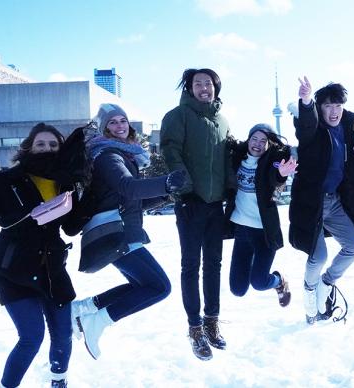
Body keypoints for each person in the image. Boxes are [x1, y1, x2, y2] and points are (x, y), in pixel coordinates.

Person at [0, 123, 85, 388]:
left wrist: (84, 196)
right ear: (29, 147)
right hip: (13, 269)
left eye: (53, 145)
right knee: (32, 337)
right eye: (41, 144)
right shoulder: (9, 180)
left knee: (63, 334)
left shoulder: (65, 181)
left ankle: (59, 380)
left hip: (51, 268)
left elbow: (71, 227)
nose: (47, 149)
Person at [72, 103, 182, 360]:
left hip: (120, 229)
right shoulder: (108, 156)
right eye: (112, 122)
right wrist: (164, 182)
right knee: (159, 287)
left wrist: (166, 193)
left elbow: (132, 200)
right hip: (117, 232)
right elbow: (128, 187)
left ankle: (81, 309)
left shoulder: (122, 154)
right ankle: (96, 322)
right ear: (103, 128)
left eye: (123, 120)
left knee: (141, 285)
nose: (120, 126)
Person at [161, 68, 232, 360]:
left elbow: (228, 159)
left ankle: (211, 322)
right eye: (198, 83)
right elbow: (170, 150)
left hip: (216, 206)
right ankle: (194, 328)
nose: (204, 88)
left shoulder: (223, 120)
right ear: (190, 88)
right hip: (191, 202)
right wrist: (185, 189)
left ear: (216, 87)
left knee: (213, 264)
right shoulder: (177, 116)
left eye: (208, 83)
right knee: (191, 266)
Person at [289, 77, 354, 324]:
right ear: (319, 108)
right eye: (327, 106)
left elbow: (346, 163)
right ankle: (310, 290)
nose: (334, 111)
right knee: (318, 257)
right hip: (311, 203)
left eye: (338, 105)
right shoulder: (313, 130)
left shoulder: (345, 129)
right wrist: (305, 101)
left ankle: (327, 282)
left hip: (335, 202)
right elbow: (305, 124)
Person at [225, 123, 295, 307]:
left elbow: (275, 182)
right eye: (254, 138)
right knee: (237, 290)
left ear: (269, 144)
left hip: (263, 233)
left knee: (259, 282)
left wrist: (281, 175)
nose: (257, 143)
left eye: (263, 140)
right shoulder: (237, 159)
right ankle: (253, 268)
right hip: (241, 230)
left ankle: (279, 281)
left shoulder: (272, 163)